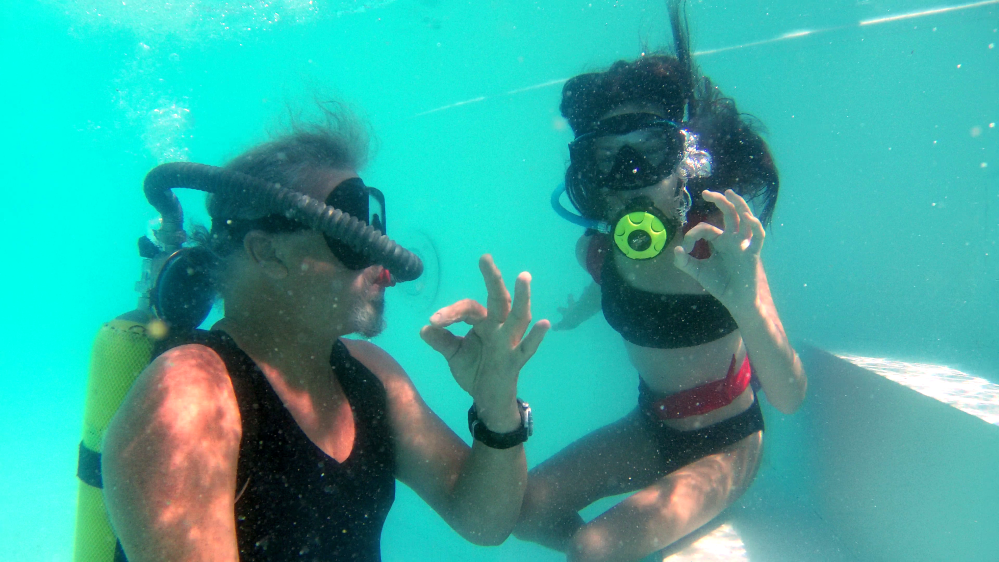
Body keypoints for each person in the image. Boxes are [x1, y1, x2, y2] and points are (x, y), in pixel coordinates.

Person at [101, 107, 551, 562]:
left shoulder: (371, 375)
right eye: (351, 233)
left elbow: (483, 521)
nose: (383, 261)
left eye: (375, 230)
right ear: (268, 253)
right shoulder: (189, 398)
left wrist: (497, 408)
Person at [513, 3, 807, 561]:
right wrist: (575, 312)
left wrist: (746, 303)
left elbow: (790, 397)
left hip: (728, 443)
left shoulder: (722, 249)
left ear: (684, 162)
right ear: (591, 175)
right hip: (651, 430)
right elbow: (607, 291)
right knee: (521, 509)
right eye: (610, 157)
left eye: (650, 151)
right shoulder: (598, 252)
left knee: (593, 550)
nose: (632, 178)